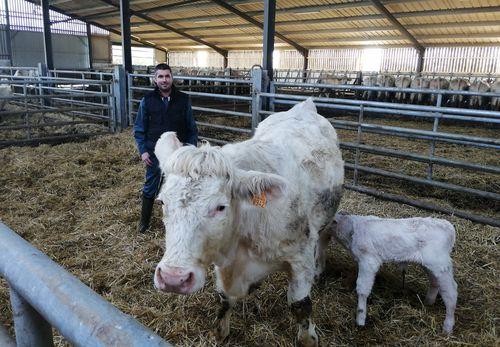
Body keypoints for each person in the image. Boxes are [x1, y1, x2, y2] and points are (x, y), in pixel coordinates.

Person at [134, 63, 198, 233]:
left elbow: (192, 128)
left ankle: (176, 221)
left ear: (172, 78)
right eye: (160, 76)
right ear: (155, 79)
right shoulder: (147, 101)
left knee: (179, 186)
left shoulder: (183, 99)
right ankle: (144, 222)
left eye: (167, 76)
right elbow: (139, 128)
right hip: (154, 153)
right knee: (151, 186)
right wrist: (143, 151)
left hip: (178, 153)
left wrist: (190, 150)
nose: (164, 80)